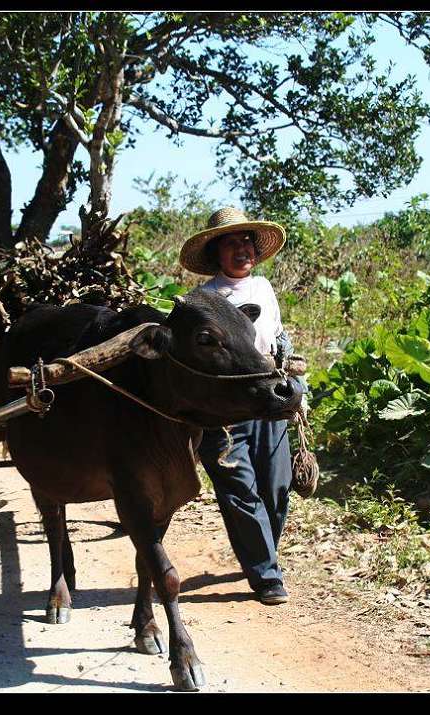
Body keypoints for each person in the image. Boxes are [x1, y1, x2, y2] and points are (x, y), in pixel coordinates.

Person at [178, 206, 297, 605]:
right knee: (240, 491)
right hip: (223, 413)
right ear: (216, 254)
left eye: (246, 241)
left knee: (277, 488)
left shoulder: (263, 288)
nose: (241, 249)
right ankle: (266, 577)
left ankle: (262, 553)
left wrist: (288, 357)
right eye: (231, 243)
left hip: (268, 401)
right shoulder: (202, 301)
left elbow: (276, 334)